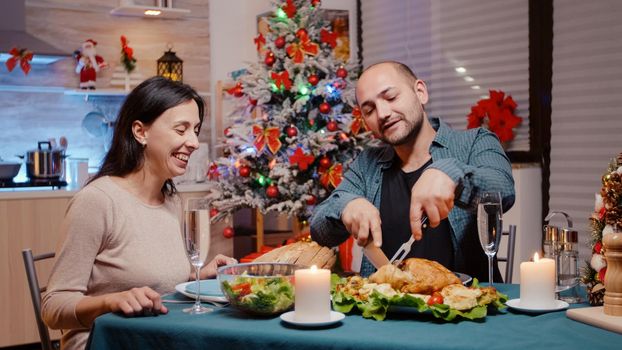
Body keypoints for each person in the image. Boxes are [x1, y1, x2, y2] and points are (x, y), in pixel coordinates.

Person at [42, 76, 237, 350]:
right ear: (140, 132)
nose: (193, 142)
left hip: (158, 338)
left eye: (195, 130)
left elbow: (157, 284)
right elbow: (53, 308)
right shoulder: (97, 202)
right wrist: (111, 301)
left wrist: (198, 276)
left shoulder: (170, 199)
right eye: (181, 130)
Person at [310, 61, 515, 280]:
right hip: (390, 310)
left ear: (420, 92)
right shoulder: (366, 164)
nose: (382, 113)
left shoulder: (475, 142)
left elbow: (503, 190)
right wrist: (345, 206)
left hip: (464, 307)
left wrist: (451, 175)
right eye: (369, 110)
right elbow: (319, 229)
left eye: (391, 98)